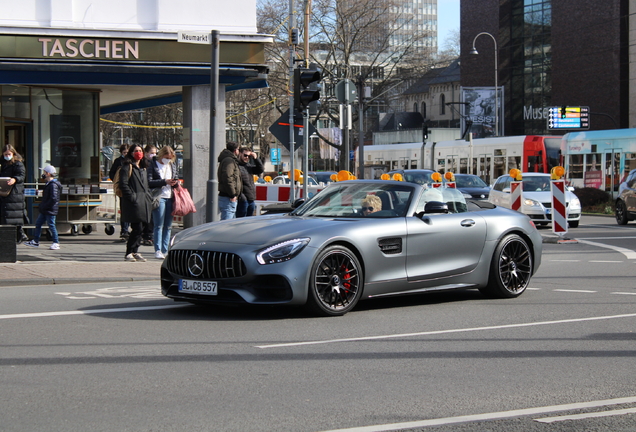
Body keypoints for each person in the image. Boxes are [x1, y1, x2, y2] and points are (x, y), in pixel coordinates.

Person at [119, 143, 152, 262]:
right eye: (136, 151)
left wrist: (149, 196)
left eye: (140, 150)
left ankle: (135, 251)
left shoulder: (143, 168)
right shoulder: (127, 166)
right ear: (131, 153)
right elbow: (123, 184)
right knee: (137, 227)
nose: (139, 153)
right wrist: (132, 197)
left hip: (144, 202)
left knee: (142, 228)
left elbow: (147, 185)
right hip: (134, 202)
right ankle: (129, 252)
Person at [147, 146, 178, 259]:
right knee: (158, 225)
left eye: (170, 158)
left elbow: (176, 177)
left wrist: (176, 183)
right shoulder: (153, 164)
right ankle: (158, 250)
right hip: (159, 197)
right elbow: (149, 182)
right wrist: (164, 181)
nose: (168, 160)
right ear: (161, 155)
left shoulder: (172, 165)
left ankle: (166, 250)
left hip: (170, 196)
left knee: (168, 226)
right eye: (166, 157)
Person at [24, 165, 62, 250]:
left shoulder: (53, 185)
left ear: (48, 173)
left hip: (50, 209)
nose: (43, 174)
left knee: (51, 225)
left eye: (44, 172)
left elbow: (53, 198)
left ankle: (56, 242)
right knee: (38, 224)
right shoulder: (49, 184)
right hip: (46, 209)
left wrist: (45, 205)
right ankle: (35, 241)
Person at [0, 144, 28, 243]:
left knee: (14, 215)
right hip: (4, 192)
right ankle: (15, 235)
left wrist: (15, 179)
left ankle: (19, 233)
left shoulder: (18, 164)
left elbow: (21, 175)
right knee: (7, 215)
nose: (7, 156)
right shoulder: (3, 164)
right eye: (5, 154)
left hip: (14, 193)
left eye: (9, 154)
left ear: (13, 153)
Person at [109, 143, 130, 242]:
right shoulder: (118, 161)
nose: (126, 154)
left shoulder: (131, 161)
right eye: (124, 152)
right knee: (124, 210)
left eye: (127, 152)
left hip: (132, 188)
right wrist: (117, 182)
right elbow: (112, 173)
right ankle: (124, 230)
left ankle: (129, 229)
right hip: (122, 189)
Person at [217, 141, 242, 220]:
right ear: (235, 150)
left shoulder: (229, 160)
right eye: (238, 149)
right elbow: (228, 177)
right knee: (226, 225)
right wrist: (232, 194)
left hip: (229, 196)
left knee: (230, 224)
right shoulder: (229, 161)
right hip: (228, 197)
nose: (239, 151)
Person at [236, 147, 264, 218]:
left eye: (249, 156)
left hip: (251, 198)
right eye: (245, 155)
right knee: (240, 220)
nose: (247, 157)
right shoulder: (236, 166)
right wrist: (241, 196)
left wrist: (255, 158)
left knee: (249, 220)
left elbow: (260, 169)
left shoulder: (248, 166)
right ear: (240, 153)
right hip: (242, 199)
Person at [141, 144, 158, 247]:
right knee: (146, 215)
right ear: (146, 153)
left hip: (152, 192)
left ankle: (149, 234)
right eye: (151, 153)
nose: (154, 155)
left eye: (155, 153)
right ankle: (146, 235)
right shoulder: (143, 164)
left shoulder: (155, 163)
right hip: (144, 192)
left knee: (151, 216)